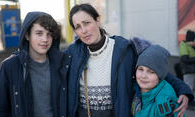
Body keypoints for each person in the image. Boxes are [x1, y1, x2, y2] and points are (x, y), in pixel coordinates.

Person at [66, 3, 194, 117]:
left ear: (98, 20)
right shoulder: (72, 54)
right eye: (77, 26)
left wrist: (183, 90)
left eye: (87, 23)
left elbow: (155, 70)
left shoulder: (124, 49)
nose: (83, 30)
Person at [0, 11, 70, 117]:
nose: (45, 39)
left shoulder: (62, 64)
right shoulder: (10, 66)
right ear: (27, 35)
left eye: (49, 34)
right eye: (39, 33)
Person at [132, 45, 181, 117]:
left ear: (160, 75)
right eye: (140, 69)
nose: (143, 76)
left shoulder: (166, 102)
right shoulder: (132, 88)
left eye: (151, 71)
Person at [179, 30, 195, 105]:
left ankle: (191, 101)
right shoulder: (184, 46)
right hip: (188, 70)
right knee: (188, 87)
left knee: (192, 87)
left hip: (193, 70)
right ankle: (187, 103)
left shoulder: (192, 46)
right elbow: (185, 59)